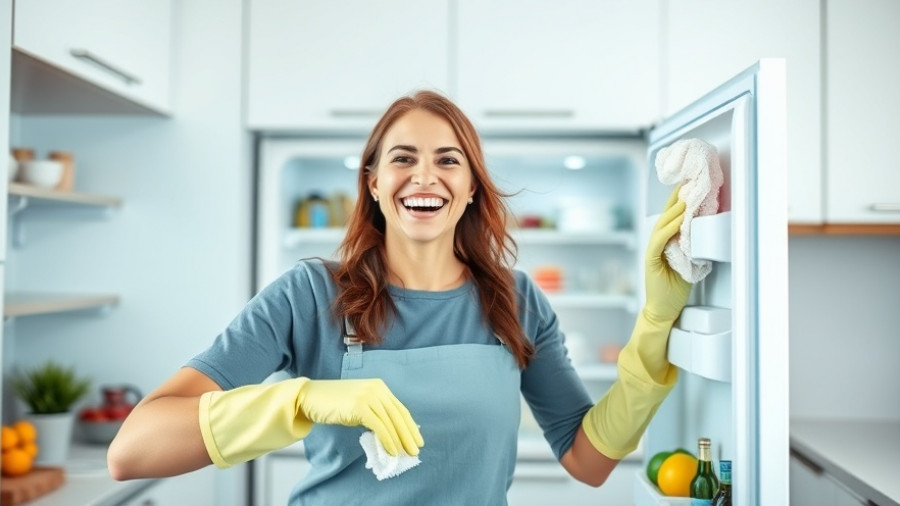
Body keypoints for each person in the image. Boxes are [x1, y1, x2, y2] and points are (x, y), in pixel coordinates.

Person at [107, 90, 691, 505]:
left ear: (469, 189)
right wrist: (302, 402)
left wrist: (658, 319)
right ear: (374, 183)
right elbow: (132, 450)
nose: (424, 176)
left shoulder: (515, 301)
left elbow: (587, 461)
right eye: (402, 159)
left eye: (448, 161)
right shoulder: (310, 295)